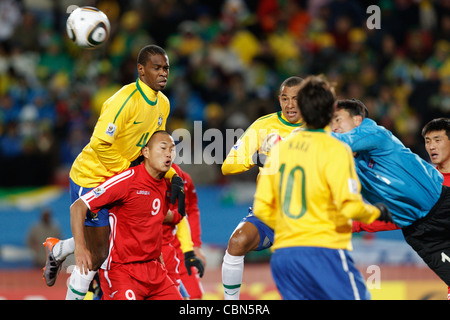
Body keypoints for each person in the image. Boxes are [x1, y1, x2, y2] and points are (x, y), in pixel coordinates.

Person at [42, 44, 185, 300]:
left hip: (121, 179)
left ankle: (60, 249)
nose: (164, 73)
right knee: (97, 254)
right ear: (141, 70)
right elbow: (100, 143)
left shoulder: (163, 104)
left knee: (123, 236)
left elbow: (154, 146)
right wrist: (127, 174)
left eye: (166, 68)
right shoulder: (124, 100)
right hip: (92, 176)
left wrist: (173, 175)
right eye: (157, 68)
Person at [252, 75, 390, 300]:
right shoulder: (335, 149)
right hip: (324, 250)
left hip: (284, 255)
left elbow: (262, 209)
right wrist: (376, 212)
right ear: (330, 111)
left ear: (303, 112)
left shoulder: (279, 151)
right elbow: (349, 206)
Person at [330, 99, 450, 293]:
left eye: (337, 120)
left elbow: (336, 144)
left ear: (358, 120)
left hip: (443, 206)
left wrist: (300, 138)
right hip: (420, 232)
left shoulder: (376, 134)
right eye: (329, 123)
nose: (333, 127)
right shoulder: (348, 164)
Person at [71, 131, 182, 300]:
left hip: (155, 272)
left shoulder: (166, 187)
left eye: (172, 149)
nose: (169, 153)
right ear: (145, 152)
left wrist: (159, 259)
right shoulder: (127, 180)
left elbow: (153, 225)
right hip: (122, 272)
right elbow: (79, 206)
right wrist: (80, 247)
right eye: (163, 148)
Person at [221, 76, 305, 300]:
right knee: (237, 243)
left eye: (296, 99)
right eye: (285, 98)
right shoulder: (263, 125)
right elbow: (228, 166)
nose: (290, 105)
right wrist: (260, 157)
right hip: (268, 212)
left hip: (305, 214)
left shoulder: (320, 127)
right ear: (279, 100)